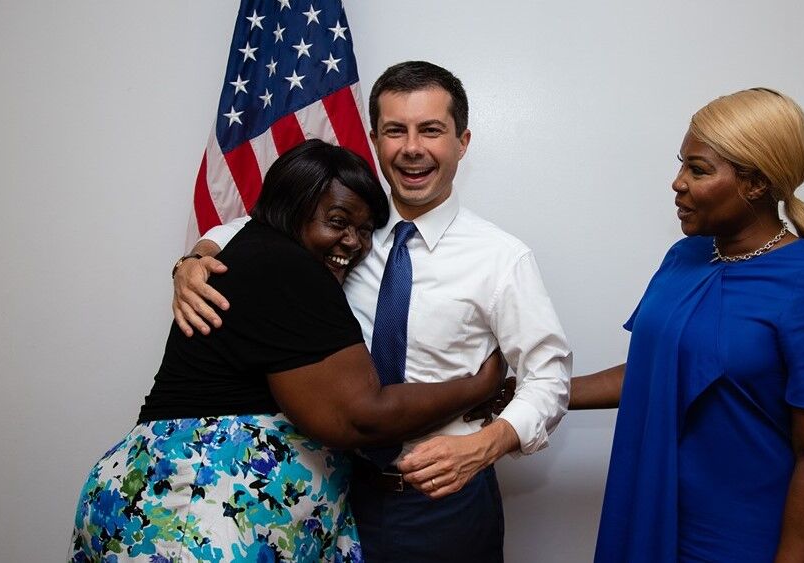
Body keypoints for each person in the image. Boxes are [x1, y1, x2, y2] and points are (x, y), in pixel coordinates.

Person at [172, 61, 572, 562]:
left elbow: (549, 377)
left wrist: (485, 446)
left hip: (442, 502)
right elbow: (249, 233)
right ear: (374, 139)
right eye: (394, 131)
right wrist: (193, 260)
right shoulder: (345, 229)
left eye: (431, 130)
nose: (412, 148)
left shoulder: (502, 258)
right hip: (331, 493)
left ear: (462, 141)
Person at [69, 139, 507, 562]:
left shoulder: (261, 251)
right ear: (293, 209)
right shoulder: (286, 267)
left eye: (363, 229)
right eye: (338, 222)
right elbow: (361, 416)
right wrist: (479, 384)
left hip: (167, 505)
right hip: (190, 515)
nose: (353, 241)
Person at [570, 88, 804, 562]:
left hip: (734, 540)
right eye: (681, 164)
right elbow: (652, 374)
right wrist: (534, 392)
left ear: (755, 183)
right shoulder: (686, 257)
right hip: (647, 514)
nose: (677, 182)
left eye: (697, 169)